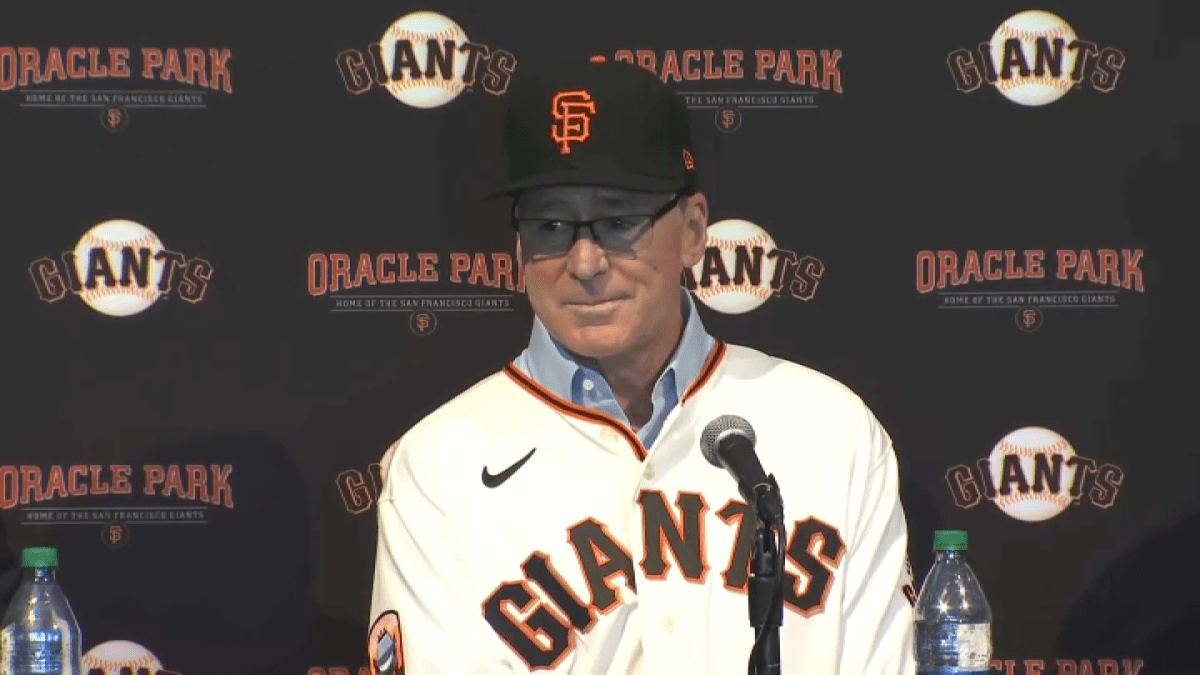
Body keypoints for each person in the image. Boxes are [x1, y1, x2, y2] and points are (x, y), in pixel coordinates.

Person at [368, 58, 916, 675]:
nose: (585, 262)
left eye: (619, 222)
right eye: (551, 224)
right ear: (519, 245)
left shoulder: (832, 429)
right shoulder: (437, 466)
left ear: (693, 229)